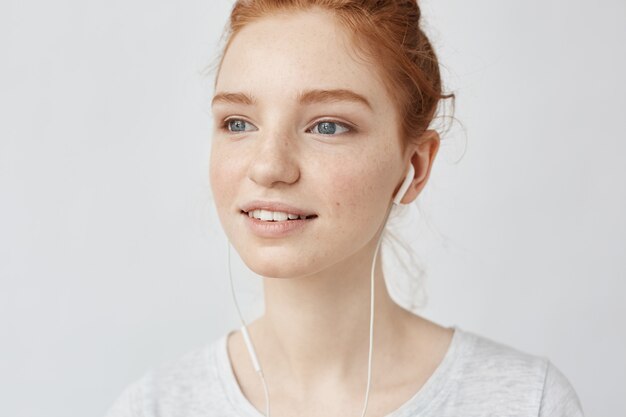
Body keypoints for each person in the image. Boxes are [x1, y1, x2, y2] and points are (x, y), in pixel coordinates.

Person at [105, 1, 585, 416]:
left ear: (414, 166)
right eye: (237, 122)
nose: (269, 166)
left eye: (327, 126)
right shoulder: (152, 408)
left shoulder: (525, 403)